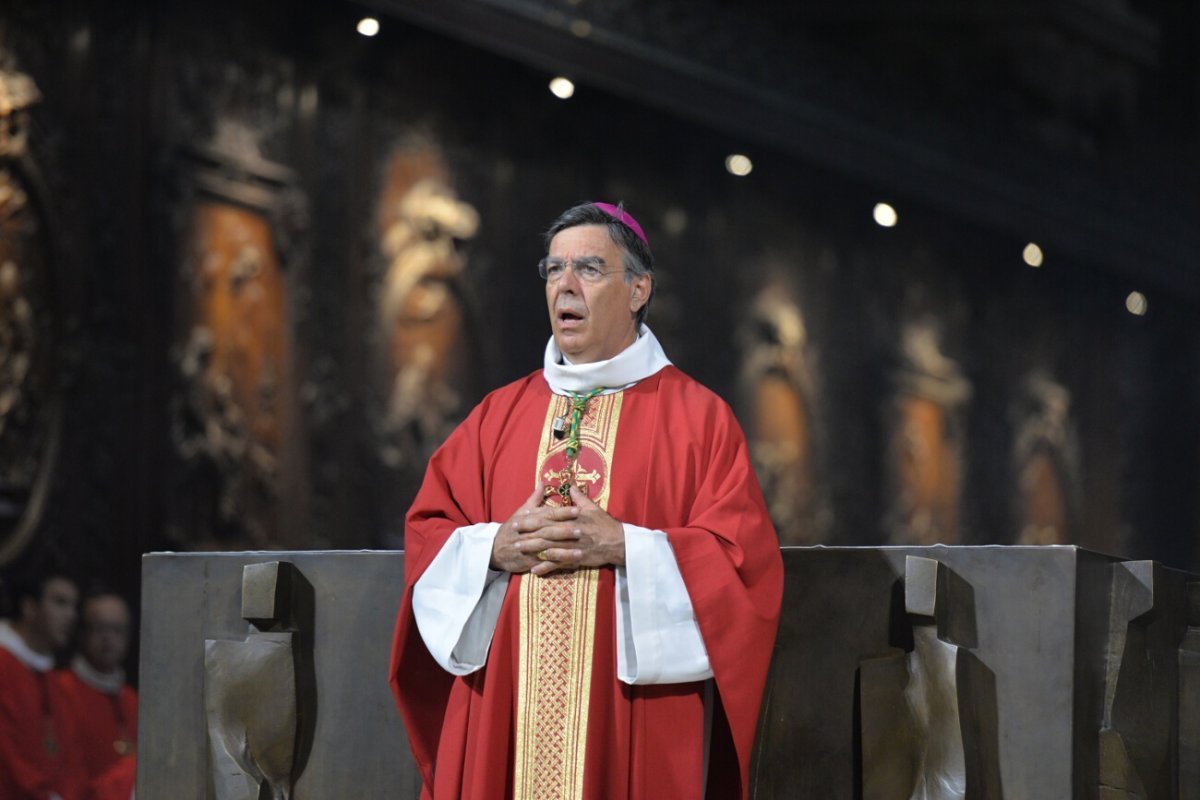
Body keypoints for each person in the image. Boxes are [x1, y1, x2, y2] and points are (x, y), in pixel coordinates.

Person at [389, 201, 784, 799]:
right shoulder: (497, 416)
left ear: (638, 289)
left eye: (590, 269)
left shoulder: (698, 420)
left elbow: (741, 563)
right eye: (553, 270)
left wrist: (625, 544)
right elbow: (429, 530)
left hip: (629, 718)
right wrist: (494, 545)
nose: (564, 286)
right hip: (505, 708)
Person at [0, 570, 84, 800]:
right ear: (29, 607)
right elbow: (5, 755)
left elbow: (70, 758)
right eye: (60, 603)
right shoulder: (3, 665)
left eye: (74, 605)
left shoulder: (53, 680)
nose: (71, 615)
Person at [51, 592, 137, 800]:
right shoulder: (59, 691)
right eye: (100, 628)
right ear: (82, 633)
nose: (108, 638)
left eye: (117, 630)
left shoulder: (133, 699)